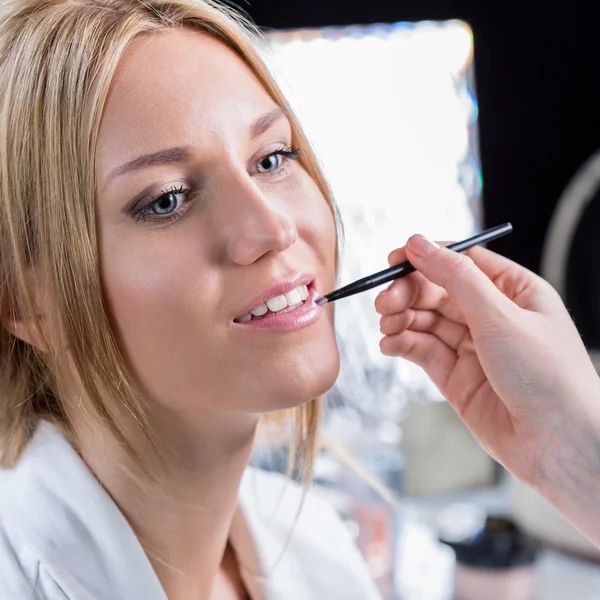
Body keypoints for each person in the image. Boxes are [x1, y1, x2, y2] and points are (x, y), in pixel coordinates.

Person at [0, 2, 599, 600]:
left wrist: (575, 455)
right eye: (167, 200)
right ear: (27, 301)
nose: (273, 227)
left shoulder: (317, 545)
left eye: (271, 158)